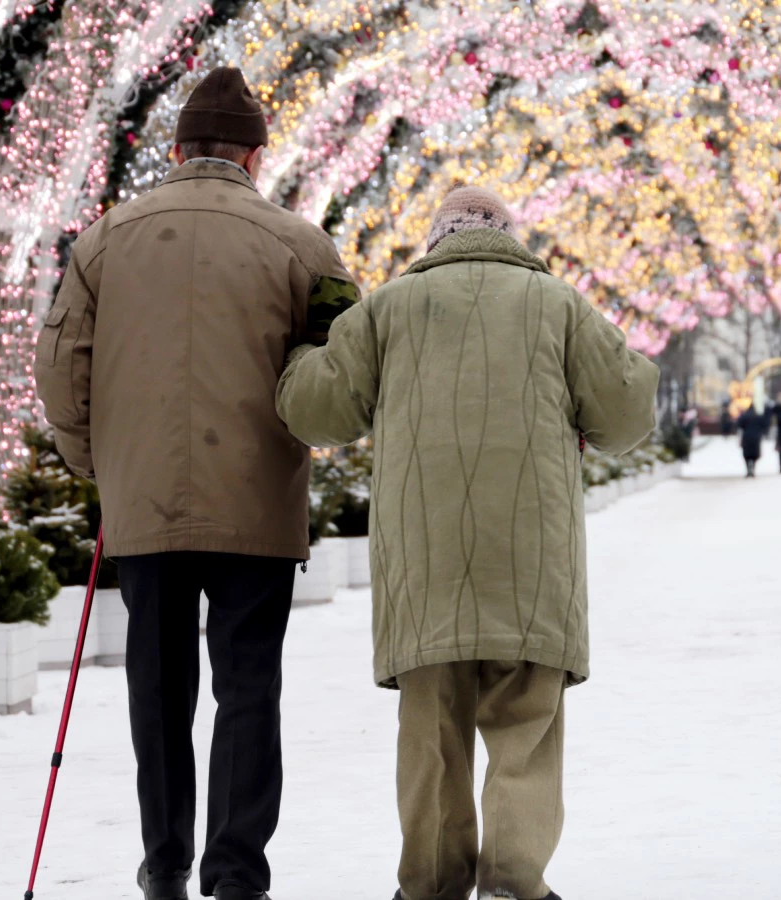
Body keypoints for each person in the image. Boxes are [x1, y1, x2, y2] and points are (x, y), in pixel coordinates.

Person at [275, 184, 659, 900]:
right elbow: (626, 413)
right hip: (532, 560)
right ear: (509, 238)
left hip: (425, 563)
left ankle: (431, 884)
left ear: (435, 242)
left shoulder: (385, 309)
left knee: (431, 733)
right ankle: (513, 882)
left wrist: (304, 353)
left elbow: (317, 412)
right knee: (526, 729)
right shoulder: (559, 304)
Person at [33, 67, 358, 900]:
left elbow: (60, 366)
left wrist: (99, 460)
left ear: (176, 151)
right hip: (258, 502)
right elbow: (345, 372)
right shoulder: (303, 245)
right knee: (247, 687)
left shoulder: (104, 240)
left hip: (144, 506)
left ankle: (165, 861)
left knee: (157, 686)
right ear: (254, 157)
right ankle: (238, 873)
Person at [737, 402, 769, 477]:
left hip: (746, 437)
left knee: (747, 455)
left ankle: (748, 470)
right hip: (756, 438)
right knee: (754, 454)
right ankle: (753, 469)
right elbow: (765, 424)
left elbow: (739, 424)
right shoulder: (758, 416)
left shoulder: (744, 416)